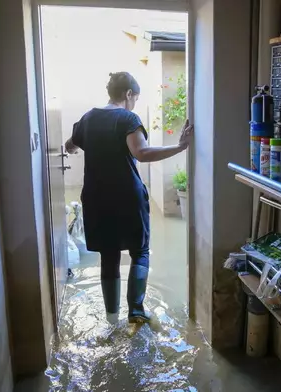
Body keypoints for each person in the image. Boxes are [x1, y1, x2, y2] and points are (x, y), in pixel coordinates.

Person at [64, 72, 193, 324]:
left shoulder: (87, 118)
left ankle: (111, 317)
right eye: (136, 98)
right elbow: (142, 152)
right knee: (140, 250)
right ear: (128, 94)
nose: (135, 103)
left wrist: (76, 146)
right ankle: (136, 311)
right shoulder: (127, 118)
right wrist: (179, 147)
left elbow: (70, 145)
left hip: (96, 198)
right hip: (126, 197)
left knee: (109, 254)